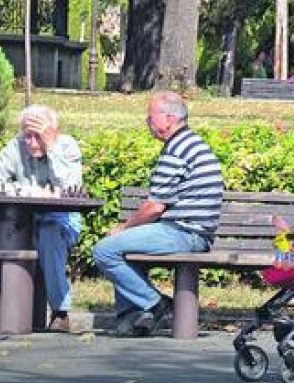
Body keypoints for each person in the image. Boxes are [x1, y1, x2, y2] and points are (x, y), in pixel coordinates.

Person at [93, 91, 224, 337]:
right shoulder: (189, 143)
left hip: (185, 234)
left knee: (105, 249)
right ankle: (133, 317)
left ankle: (154, 303)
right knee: (123, 249)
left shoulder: (177, 149)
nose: (147, 123)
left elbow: (155, 206)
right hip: (190, 231)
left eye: (150, 117)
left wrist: (124, 228)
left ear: (168, 118)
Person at [0, 105, 83, 333]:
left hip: (62, 219)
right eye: (28, 136)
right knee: (8, 231)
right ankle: (2, 308)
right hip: (24, 220)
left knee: (49, 233)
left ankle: (60, 312)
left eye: (39, 136)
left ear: (53, 132)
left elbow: (70, 188)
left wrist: (52, 148)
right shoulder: (15, 147)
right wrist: (20, 188)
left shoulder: (67, 146)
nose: (32, 143)